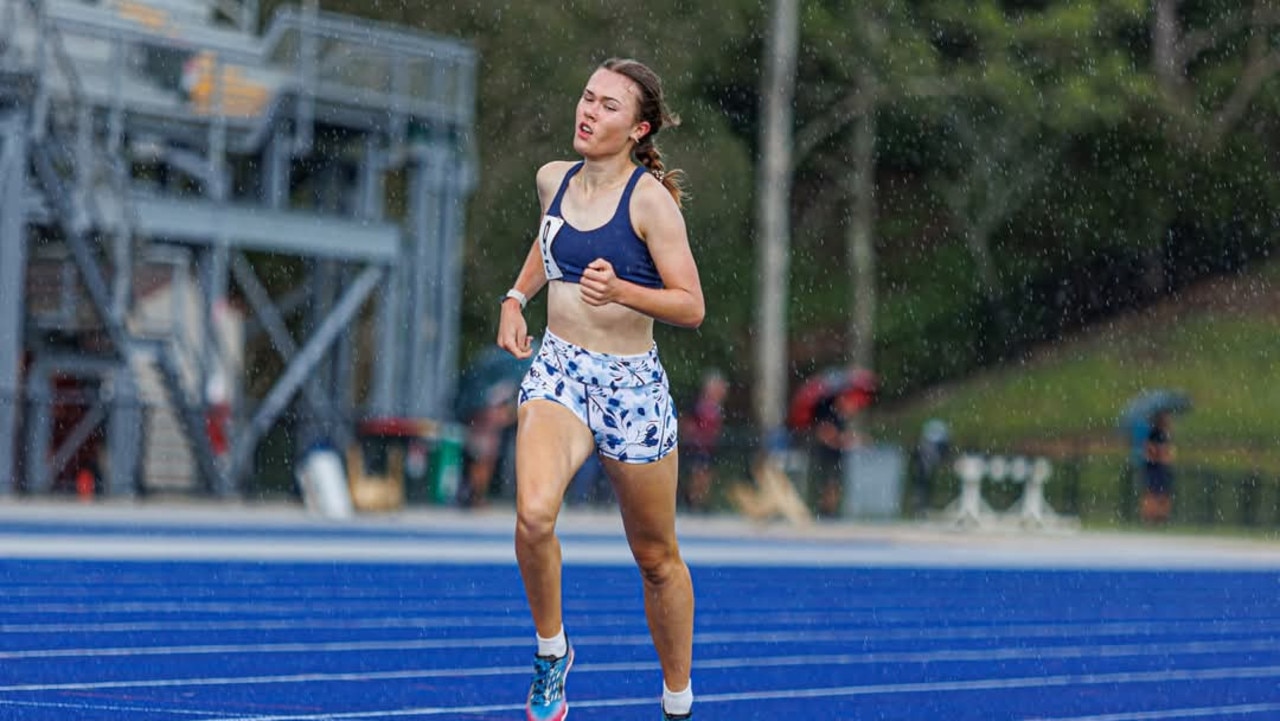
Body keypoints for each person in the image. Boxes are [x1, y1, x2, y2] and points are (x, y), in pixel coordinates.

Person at [495, 57, 703, 721]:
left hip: (629, 386)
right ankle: (552, 652)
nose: (589, 111)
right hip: (560, 367)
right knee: (532, 515)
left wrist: (622, 291)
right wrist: (515, 295)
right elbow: (549, 240)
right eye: (587, 97)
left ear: (637, 127)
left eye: (608, 105)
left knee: (656, 557)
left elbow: (691, 305)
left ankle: (677, 698)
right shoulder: (552, 178)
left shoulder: (651, 202)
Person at [809, 389, 866, 518]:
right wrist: (843, 440)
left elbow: (837, 437)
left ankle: (829, 512)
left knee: (834, 485)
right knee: (829, 485)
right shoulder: (829, 415)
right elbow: (827, 435)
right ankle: (825, 512)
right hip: (826, 456)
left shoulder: (841, 418)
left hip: (835, 456)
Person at [679, 369, 728, 513]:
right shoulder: (698, 404)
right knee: (698, 475)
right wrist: (694, 435)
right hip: (697, 448)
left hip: (709, 448)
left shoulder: (717, 407)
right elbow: (685, 423)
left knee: (706, 476)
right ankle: (693, 504)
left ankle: (700, 504)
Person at [1141, 410, 1175, 524]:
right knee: (1153, 492)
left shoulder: (1165, 434)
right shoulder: (1154, 434)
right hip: (1155, 467)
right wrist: (1160, 453)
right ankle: (1150, 516)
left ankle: (1161, 516)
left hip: (1162, 467)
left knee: (1163, 492)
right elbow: (1150, 450)